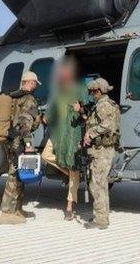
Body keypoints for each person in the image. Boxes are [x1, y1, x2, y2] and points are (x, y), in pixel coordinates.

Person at [41, 57, 89, 221]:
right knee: (45, 155)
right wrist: (46, 117)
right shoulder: (59, 93)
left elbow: (88, 111)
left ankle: (69, 206)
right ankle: (69, 172)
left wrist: (80, 109)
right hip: (58, 134)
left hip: (73, 135)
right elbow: (51, 113)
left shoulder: (81, 90)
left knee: (74, 169)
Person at [0, 71, 41, 225]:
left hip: (10, 140)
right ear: (29, 82)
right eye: (35, 83)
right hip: (19, 142)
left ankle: (17, 209)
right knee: (14, 174)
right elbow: (25, 124)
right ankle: (7, 212)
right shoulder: (28, 99)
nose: (36, 86)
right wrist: (29, 145)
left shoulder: (14, 97)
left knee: (20, 174)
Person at [82, 78, 121, 230]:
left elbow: (107, 124)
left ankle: (101, 220)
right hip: (103, 150)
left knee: (97, 185)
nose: (92, 95)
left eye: (92, 92)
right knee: (102, 184)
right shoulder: (107, 104)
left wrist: (90, 134)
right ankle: (101, 216)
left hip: (102, 151)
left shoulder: (103, 105)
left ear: (98, 91)